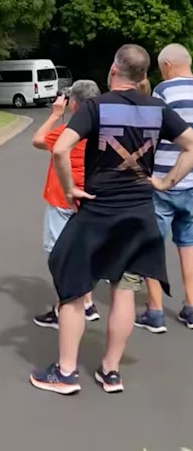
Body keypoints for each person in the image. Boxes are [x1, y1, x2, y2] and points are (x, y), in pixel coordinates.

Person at [30, 44, 193, 396]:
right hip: (139, 214)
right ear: (144, 75)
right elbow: (191, 145)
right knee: (124, 291)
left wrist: (70, 188)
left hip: (98, 212)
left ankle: (67, 373)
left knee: (74, 286)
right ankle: (110, 371)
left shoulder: (95, 106)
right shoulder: (157, 108)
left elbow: (59, 148)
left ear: (114, 70)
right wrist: (165, 182)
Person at [31, 80, 102, 329]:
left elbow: (38, 140)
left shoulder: (66, 132)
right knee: (85, 252)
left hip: (62, 198)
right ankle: (87, 302)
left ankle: (62, 307)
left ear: (74, 104)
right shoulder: (102, 131)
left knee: (59, 256)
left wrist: (55, 115)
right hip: (91, 199)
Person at [136, 43, 193, 333]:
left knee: (152, 244)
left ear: (168, 65)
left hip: (162, 180)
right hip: (192, 182)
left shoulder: (163, 92)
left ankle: (155, 311)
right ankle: (191, 307)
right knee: (188, 245)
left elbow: (150, 135)